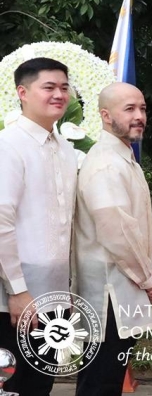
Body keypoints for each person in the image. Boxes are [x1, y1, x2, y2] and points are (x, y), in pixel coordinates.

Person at [74, 82, 152, 396]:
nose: (139, 116)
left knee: (109, 380)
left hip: (123, 287)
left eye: (142, 108)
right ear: (104, 115)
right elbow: (117, 231)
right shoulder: (104, 164)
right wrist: (148, 277)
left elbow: (139, 225)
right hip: (107, 293)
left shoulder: (124, 158)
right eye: (129, 109)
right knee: (100, 382)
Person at [0, 57, 77, 396]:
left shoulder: (66, 150)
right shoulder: (9, 145)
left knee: (39, 386)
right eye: (49, 87)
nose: (58, 94)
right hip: (14, 298)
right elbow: (2, 219)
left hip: (54, 298)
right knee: (11, 384)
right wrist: (17, 291)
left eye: (63, 87)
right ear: (22, 92)